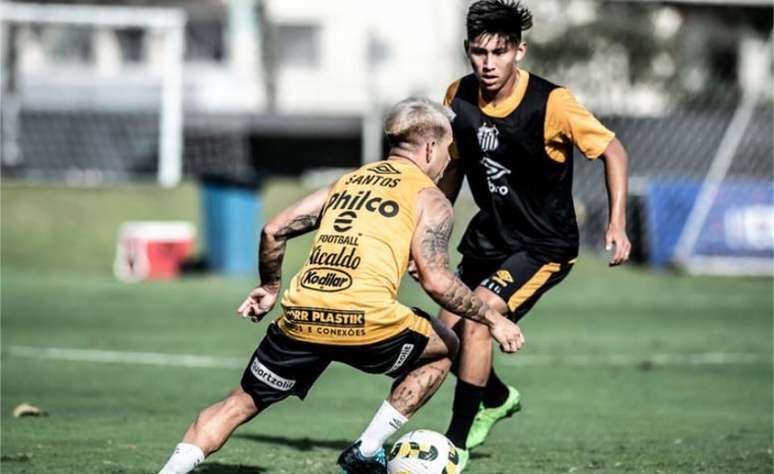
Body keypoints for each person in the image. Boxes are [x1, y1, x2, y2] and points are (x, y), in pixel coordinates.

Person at [156, 98, 526, 474]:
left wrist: (269, 286)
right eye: (448, 150)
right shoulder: (430, 198)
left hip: (302, 315)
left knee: (239, 403)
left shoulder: (349, 181)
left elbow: (274, 230)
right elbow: (436, 280)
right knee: (446, 345)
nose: (449, 160)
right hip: (366, 320)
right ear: (430, 147)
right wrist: (494, 321)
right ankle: (367, 449)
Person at [437, 0, 632, 468]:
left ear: (519, 51)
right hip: (489, 237)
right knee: (444, 333)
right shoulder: (456, 96)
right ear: (468, 50)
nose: (488, 63)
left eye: (499, 52)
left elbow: (614, 151)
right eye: (479, 52)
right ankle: (497, 397)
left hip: (543, 244)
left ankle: (453, 445)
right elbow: (452, 170)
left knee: (480, 316)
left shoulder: (553, 102)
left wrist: (617, 221)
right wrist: (427, 235)